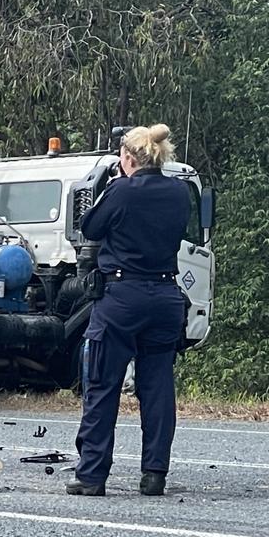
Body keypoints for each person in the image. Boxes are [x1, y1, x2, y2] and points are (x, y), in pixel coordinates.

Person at [68, 124, 189, 497]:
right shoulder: (180, 192)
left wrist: (109, 185)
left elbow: (89, 226)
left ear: (128, 158)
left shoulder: (121, 190)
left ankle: (91, 476)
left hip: (123, 297)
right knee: (157, 389)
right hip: (166, 295)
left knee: (102, 385)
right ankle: (154, 474)